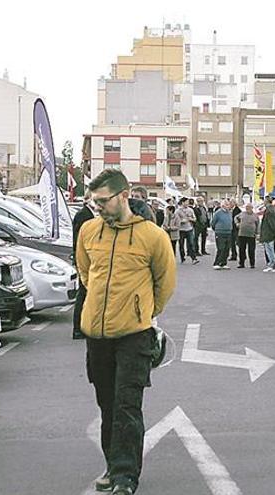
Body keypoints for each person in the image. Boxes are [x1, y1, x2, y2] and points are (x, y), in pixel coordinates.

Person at [76, 169, 177, 495]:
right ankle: (112, 466)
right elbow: (85, 272)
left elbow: (165, 284)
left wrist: (142, 311)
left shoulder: (152, 236)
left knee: (126, 407)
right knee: (107, 405)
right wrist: (98, 307)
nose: (99, 208)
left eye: (103, 201)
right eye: (95, 203)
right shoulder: (89, 231)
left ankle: (125, 477)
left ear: (124, 195)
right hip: (97, 337)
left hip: (134, 336)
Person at [72, 188, 97, 340]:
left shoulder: (90, 214)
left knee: (86, 293)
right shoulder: (83, 215)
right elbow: (79, 241)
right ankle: (78, 328)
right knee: (82, 293)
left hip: (88, 258)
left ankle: (83, 326)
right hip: (83, 259)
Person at [234, 203, 260, 269]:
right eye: (246, 207)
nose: (247, 209)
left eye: (249, 207)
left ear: (252, 208)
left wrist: (257, 233)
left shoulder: (255, 215)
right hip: (242, 234)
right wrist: (237, 223)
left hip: (251, 235)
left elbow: (258, 225)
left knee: (251, 250)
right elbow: (235, 218)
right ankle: (241, 263)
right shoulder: (242, 214)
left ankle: (252, 264)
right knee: (241, 249)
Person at [210, 200, 233, 270]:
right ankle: (217, 263)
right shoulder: (218, 213)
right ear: (222, 205)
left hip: (228, 232)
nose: (228, 206)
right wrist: (217, 230)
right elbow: (213, 222)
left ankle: (223, 263)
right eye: (226, 205)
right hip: (220, 233)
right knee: (221, 248)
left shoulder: (229, 213)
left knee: (227, 248)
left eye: (228, 205)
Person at [259, 196, 275, 272]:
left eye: (264, 200)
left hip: (269, 233)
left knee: (270, 250)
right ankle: (271, 264)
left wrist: (274, 232)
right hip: (269, 233)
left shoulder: (269, 210)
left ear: (267, 201)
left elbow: (272, 223)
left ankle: (271, 264)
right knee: (270, 249)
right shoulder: (272, 209)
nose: (263, 202)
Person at [177, 198, 199, 264]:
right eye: (186, 202)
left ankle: (194, 258)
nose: (187, 203)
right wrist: (181, 221)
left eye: (188, 202)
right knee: (181, 244)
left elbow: (195, 219)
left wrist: (191, 219)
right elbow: (175, 220)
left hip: (189, 228)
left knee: (191, 243)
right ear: (182, 202)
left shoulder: (190, 210)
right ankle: (182, 257)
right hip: (181, 230)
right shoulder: (178, 211)